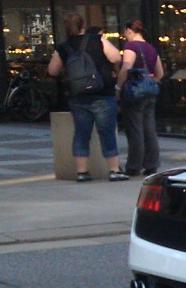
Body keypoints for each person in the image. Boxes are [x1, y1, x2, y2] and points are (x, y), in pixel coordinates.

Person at [47, 13, 127, 182]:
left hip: (78, 97)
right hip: (102, 93)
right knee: (107, 133)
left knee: (81, 134)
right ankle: (114, 170)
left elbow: (52, 71)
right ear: (83, 25)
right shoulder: (97, 40)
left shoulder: (64, 47)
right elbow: (115, 57)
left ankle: (82, 172)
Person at [116, 19, 163, 176]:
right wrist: (149, 82)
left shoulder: (131, 46)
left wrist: (118, 86)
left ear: (130, 30)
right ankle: (152, 164)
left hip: (134, 92)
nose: (124, 35)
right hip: (150, 93)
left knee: (135, 129)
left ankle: (134, 166)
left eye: (125, 32)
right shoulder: (151, 48)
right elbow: (160, 73)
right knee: (149, 129)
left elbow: (126, 66)